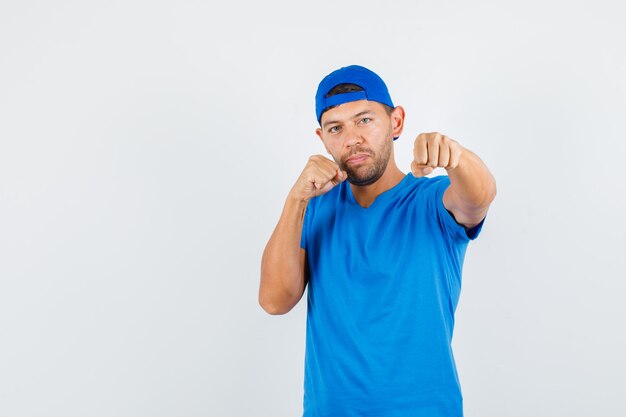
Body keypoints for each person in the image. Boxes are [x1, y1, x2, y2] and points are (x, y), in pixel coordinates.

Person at [259, 65, 496, 417]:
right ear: (322, 138)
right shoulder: (313, 208)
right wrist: (296, 200)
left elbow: (478, 198)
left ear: (396, 122)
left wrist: (456, 157)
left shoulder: (430, 200)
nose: (351, 138)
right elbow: (275, 301)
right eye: (335, 127)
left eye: (364, 120)